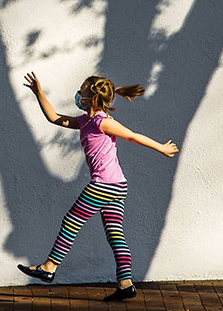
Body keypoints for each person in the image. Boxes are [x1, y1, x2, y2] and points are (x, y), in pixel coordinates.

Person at [17, 72, 178, 301]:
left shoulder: (103, 122)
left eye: (81, 90)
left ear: (91, 98)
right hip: (117, 186)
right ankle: (125, 284)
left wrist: (160, 147)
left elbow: (132, 136)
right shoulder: (84, 121)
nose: (78, 93)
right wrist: (39, 93)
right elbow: (53, 117)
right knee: (115, 235)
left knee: (71, 221)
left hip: (104, 185)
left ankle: (50, 267)